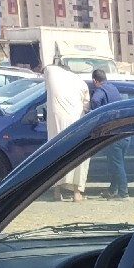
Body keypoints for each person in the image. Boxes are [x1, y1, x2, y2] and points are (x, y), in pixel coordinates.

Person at [43, 62, 90, 199]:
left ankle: (57, 191)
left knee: (56, 155)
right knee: (79, 156)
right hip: (77, 123)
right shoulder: (80, 82)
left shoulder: (52, 73)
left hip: (56, 125)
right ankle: (77, 193)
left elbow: (45, 66)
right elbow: (86, 106)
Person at [90, 69, 128, 198]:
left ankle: (123, 193)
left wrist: (96, 114)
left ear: (95, 81)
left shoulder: (100, 90)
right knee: (116, 163)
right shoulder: (113, 88)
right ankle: (113, 190)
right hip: (123, 132)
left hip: (113, 132)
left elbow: (95, 101)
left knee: (117, 165)